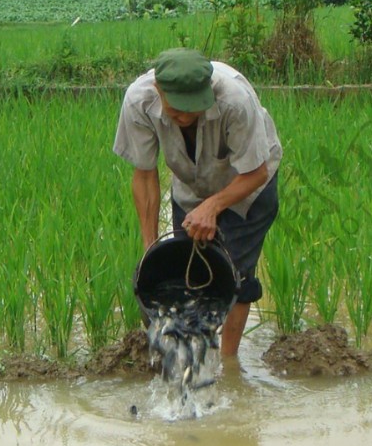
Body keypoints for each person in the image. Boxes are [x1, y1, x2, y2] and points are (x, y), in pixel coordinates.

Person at [112, 48, 282, 359]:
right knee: (186, 271)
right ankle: (188, 361)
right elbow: (145, 175)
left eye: (194, 108)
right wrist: (149, 246)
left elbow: (257, 172)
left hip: (250, 184)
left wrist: (214, 206)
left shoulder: (234, 100)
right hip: (190, 186)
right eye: (178, 110)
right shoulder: (139, 101)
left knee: (236, 272)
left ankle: (228, 366)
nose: (187, 116)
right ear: (159, 90)